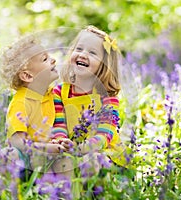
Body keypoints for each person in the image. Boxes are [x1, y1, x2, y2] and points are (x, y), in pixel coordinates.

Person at [51, 25, 126, 174]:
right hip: (72, 150)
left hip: (104, 154)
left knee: (92, 162)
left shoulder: (108, 99)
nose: (83, 55)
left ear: (104, 65)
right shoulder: (59, 92)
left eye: (92, 53)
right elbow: (59, 124)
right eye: (79, 49)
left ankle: (94, 193)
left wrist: (81, 149)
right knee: (59, 162)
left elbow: (105, 135)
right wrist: (62, 142)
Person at [0, 35, 73, 177]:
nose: (53, 60)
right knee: (8, 154)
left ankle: (65, 194)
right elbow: (17, 143)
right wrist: (46, 147)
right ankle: (10, 190)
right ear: (28, 76)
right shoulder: (21, 103)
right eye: (45, 59)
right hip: (25, 159)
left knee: (66, 161)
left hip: (45, 158)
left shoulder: (52, 95)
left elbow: (52, 130)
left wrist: (58, 142)